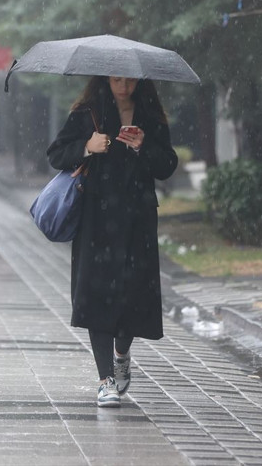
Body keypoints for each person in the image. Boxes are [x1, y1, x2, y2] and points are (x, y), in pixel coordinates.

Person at [46, 75, 178, 408]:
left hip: (138, 220)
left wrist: (142, 146)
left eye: (129, 79)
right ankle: (105, 379)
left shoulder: (149, 114)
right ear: (106, 78)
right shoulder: (87, 113)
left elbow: (168, 165)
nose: (123, 85)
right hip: (97, 220)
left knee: (133, 296)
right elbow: (56, 154)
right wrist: (87, 147)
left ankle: (122, 353)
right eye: (117, 79)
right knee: (97, 297)